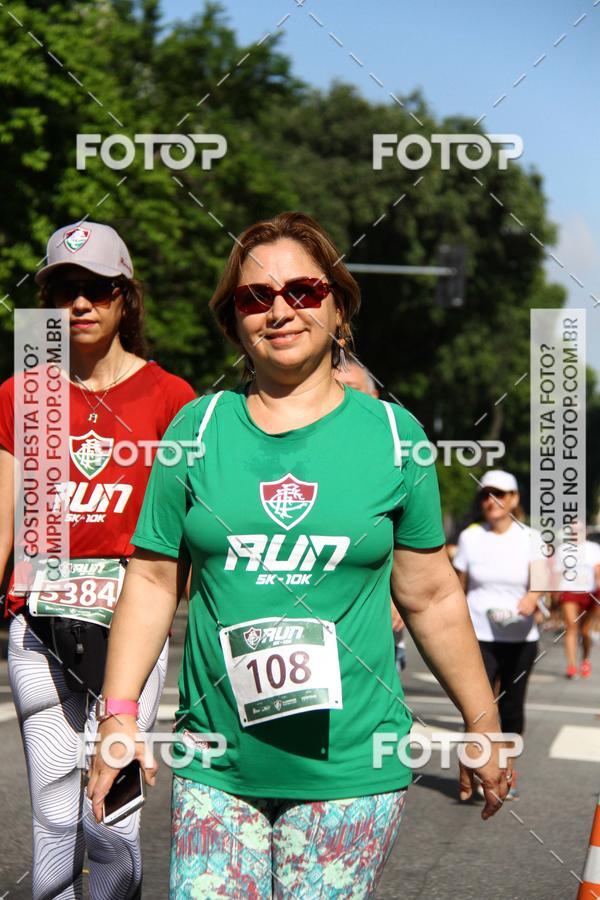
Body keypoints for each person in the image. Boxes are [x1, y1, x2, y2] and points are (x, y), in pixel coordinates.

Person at [89, 211, 510, 899]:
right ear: (235, 322)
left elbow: (430, 594)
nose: (280, 310)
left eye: (304, 291)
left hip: (350, 772)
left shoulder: (392, 435)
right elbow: (153, 579)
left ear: (338, 307)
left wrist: (484, 725)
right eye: (256, 298)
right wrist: (119, 713)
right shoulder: (197, 429)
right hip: (215, 765)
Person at [0, 222, 195, 899]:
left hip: (128, 631)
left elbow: (186, 531)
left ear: (125, 299)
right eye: (62, 290)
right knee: (54, 813)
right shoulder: (22, 393)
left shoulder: (173, 399)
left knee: (111, 821)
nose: (79, 304)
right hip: (39, 624)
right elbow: (4, 511)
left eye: (97, 290)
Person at [453, 469, 545, 800]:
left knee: (511, 709)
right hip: (477, 633)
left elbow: (542, 581)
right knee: (476, 706)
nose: (491, 501)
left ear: (514, 500)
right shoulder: (470, 537)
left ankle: (505, 771)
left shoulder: (530, 537)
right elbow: (456, 585)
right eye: (485, 495)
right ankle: (475, 769)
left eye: (499, 494)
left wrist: (533, 598)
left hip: (520, 636)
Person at [334, 359, 407, 673]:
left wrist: (395, 597)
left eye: (352, 389)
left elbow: (409, 544)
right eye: (335, 389)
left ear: (375, 396)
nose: (344, 397)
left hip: (372, 616)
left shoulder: (396, 452)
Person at [552, 522, 600, 678]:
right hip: (570, 592)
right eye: (572, 530)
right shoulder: (562, 550)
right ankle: (571, 666)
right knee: (571, 627)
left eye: (579, 530)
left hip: (590, 592)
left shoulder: (593, 549)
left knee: (585, 631)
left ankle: (585, 659)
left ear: (584, 531)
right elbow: (557, 574)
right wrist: (554, 596)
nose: (576, 533)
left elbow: (598, 570)